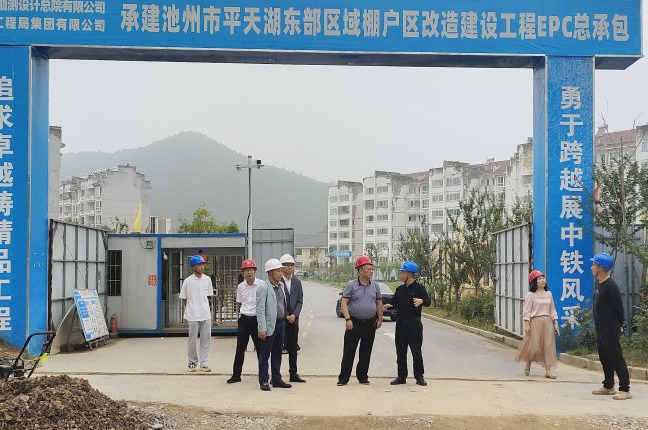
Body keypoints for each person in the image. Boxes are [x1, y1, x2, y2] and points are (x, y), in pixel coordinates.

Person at [590, 253, 632, 400]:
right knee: (604, 357)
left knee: (615, 357)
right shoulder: (598, 283)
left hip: (610, 327)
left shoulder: (611, 285)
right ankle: (608, 386)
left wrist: (619, 326)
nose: (592, 267)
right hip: (600, 327)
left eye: (594, 264)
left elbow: (619, 308)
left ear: (601, 267)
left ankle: (625, 389)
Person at [337, 255, 383, 386]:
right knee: (349, 351)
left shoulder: (375, 286)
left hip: (370, 323)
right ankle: (343, 378)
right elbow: (344, 302)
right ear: (361, 270)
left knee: (366, 351)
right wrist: (347, 319)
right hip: (354, 323)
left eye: (372, 269)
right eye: (369, 269)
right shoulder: (351, 285)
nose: (371, 271)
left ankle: (362, 376)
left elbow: (379, 303)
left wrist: (380, 319)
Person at [384, 261, 431, 386]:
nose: (400, 275)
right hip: (400, 324)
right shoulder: (400, 289)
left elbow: (428, 301)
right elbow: (394, 301)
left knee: (416, 352)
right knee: (400, 352)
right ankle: (401, 376)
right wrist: (389, 305)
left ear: (409, 274)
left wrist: (422, 301)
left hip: (414, 325)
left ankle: (419, 377)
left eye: (402, 272)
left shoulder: (419, 288)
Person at [514, 270, 559, 379]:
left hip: (547, 322)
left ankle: (548, 371)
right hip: (535, 322)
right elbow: (527, 310)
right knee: (533, 346)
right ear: (534, 281)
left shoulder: (549, 294)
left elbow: (552, 309)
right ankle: (528, 363)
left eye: (543, 278)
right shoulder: (531, 295)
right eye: (539, 279)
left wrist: (555, 323)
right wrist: (527, 323)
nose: (543, 280)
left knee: (548, 345)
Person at [256, 258, 292, 391]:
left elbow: (282, 304)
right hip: (269, 325)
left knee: (277, 353)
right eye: (278, 271)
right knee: (265, 354)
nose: (281, 273)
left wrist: (286, 315)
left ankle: (276, 379)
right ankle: (263, 380)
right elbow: (260, 309)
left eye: (281, 270)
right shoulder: (263, 288)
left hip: (281, 323)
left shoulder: (281, 286)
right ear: (270, 272)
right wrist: (262, 328)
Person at [227, 259, 264, 384]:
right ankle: (236, 375)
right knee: (240, 348)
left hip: (257, 319)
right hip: (244, 319)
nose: (249, 272)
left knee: (260, 349)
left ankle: (263, 375)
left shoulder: (262, 285)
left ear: (255, 271)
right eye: (246, 270)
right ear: (242, 273)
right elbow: (240, 302)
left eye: (251, 270)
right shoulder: (240, 287)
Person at [179, 255, 213, 372]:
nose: (202, 267)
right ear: (193, 267)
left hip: (205, 314)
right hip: (193, 315)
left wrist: (205, 308)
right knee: (192, 340)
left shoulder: (207, 280)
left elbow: (208, 296)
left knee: (206, 340)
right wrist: (191, 308)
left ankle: (204, 364)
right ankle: (192, 363)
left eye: (203, 264)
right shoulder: (188, 281)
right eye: (199, 265)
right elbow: (184, 298)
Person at [279, 254, 306, 383]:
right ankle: (276, 375)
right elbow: (278, 301)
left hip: (294, 320)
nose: (290, 267)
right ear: (281, 267)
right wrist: (285, 315)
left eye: (291, 265)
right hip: (281, 320)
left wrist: (294, 315)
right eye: (287, 265)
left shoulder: (297, 282)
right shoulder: (278, 282)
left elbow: (300, 301)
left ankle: (293, 373)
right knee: (278, 348)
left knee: (293, 348)